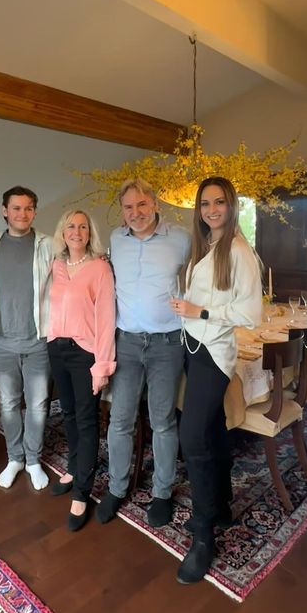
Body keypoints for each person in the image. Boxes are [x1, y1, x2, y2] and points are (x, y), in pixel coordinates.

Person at [170, 176, 262, 583]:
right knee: (212, 431)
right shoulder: (203, 246)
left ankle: (204, 534)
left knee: (191, 438)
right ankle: (221, 508)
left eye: (219, 202)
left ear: (232, 206)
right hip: (191, 347)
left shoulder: (239, 251)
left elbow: (250, 315)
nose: (211, 210)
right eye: (205, 203)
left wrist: (200, 313)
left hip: (214, 353)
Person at [96, 179, 192, 528]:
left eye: (141, 204)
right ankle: (117, 487)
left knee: (163, 420)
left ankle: (162, 493)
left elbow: (199, 277)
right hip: (128, 342)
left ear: (154, 204)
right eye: (128, 207)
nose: (135, 212)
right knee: (121, 419)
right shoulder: (115, 240)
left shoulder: (181, 238)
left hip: (168, 343)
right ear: (122, 212)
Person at [47, 209, 116, 531]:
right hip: (56, 349)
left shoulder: (100, 268)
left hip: (85, 352)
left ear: (90, 233)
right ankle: (75, 467)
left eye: (83, 227)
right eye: (71, 226)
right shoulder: (56, 266)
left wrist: (102, 366)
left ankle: (82, 491)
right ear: (62, 232)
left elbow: (106, 319)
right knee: (70, 415)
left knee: (87, 421)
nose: (76, 231)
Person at [0, 186, 53, 490]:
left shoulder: (48, 245)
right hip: (2, 342)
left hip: (38, 340)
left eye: (27, 208)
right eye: (15, 208)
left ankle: (34, 460)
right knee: (9, 403)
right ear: (4, 210)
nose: (21, 214)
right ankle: (15, 458)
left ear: (34, 212)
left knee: (38, 404)